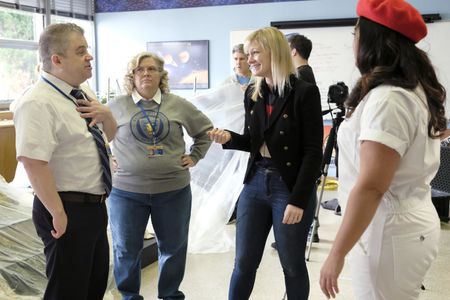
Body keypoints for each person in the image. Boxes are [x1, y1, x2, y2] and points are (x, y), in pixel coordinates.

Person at [319, 0, 446, 299]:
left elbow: (373, 186)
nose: (353, 41)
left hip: (388, 229)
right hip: (402, 223)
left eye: (355, 34)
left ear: (371, 41)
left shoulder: (388, 99)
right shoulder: (407, 89)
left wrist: (336, 253)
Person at [208, 27, 323, 300]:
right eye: (247, 54)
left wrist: (298, 199)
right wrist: (229, 138)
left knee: (292, 265)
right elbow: (252, 141)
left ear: (276, 52)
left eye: (255, 53)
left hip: (289, 187)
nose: (249, 60)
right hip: (256, 183)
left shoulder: (305, 93)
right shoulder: (254, 93)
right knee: (244, 263)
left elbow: (312, 153)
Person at [13, 23, 117, 300]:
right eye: (81, 51)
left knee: (94, 287)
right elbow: (33, 163)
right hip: (65, 207)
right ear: (57, 60)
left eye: (88, 50)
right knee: (68, 292)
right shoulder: (37, 102)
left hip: (94, 206)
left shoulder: (83, 93)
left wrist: (106, 114)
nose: (89, 57)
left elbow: (110, 135)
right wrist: (58, 213)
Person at [107, 51, 213, 300]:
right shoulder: (115, 106)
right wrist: (104, 155)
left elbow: (206, 130)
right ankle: (129, 296)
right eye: (139, 69)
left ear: (161, 75)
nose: (146, 73)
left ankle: (170, 295)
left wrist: (195, 156)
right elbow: (90, 135)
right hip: (126, 193)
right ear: (132, 76)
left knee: (173, 249)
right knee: (126, 249)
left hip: (173, 191)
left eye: (152, 69)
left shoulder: (177, 104)